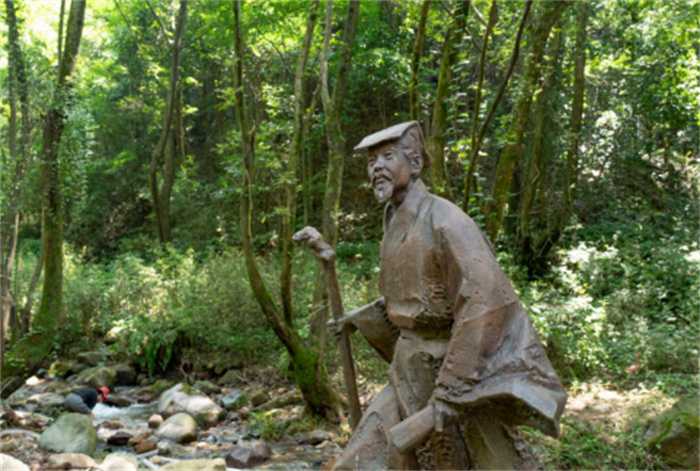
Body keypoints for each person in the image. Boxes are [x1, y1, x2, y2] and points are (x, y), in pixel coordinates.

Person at [331, 121, 566, 470]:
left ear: (415, 163)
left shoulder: (448, 221)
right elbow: (415, 299)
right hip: (407, 372)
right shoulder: (392, 219)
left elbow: (485, 301)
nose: (377, 167)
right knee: (360, 462)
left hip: (455, 376)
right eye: (371, 161)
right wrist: (360, 318)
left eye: (388, 156)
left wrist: (447, 397)